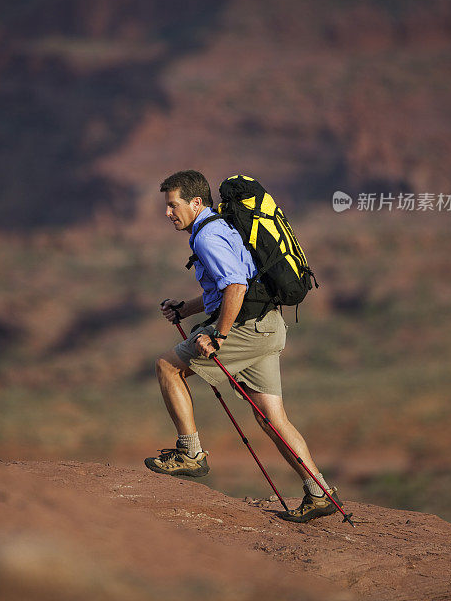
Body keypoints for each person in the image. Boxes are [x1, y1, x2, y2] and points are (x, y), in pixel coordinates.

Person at [144, 169, 341, 522]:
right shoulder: (219, 227)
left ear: (196, 202)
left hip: (246, 330)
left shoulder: (207, 237)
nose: (168, 213)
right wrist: (185, 308)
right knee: (271, 418)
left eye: (173, 206)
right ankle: (319, 492)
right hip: (266, 325)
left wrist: (218, 336)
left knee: (167, 366)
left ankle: (190, 454)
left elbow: (235, 286)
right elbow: (228, 288)